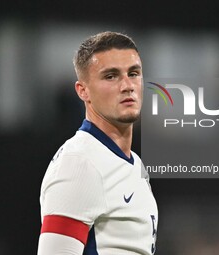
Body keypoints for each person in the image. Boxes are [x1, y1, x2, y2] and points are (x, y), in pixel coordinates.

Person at [37, 31, 158, 255]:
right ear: (83, 91)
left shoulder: (134, 164)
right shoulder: (80, 163)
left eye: (134, 73)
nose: (127, 85)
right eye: (111, 76)